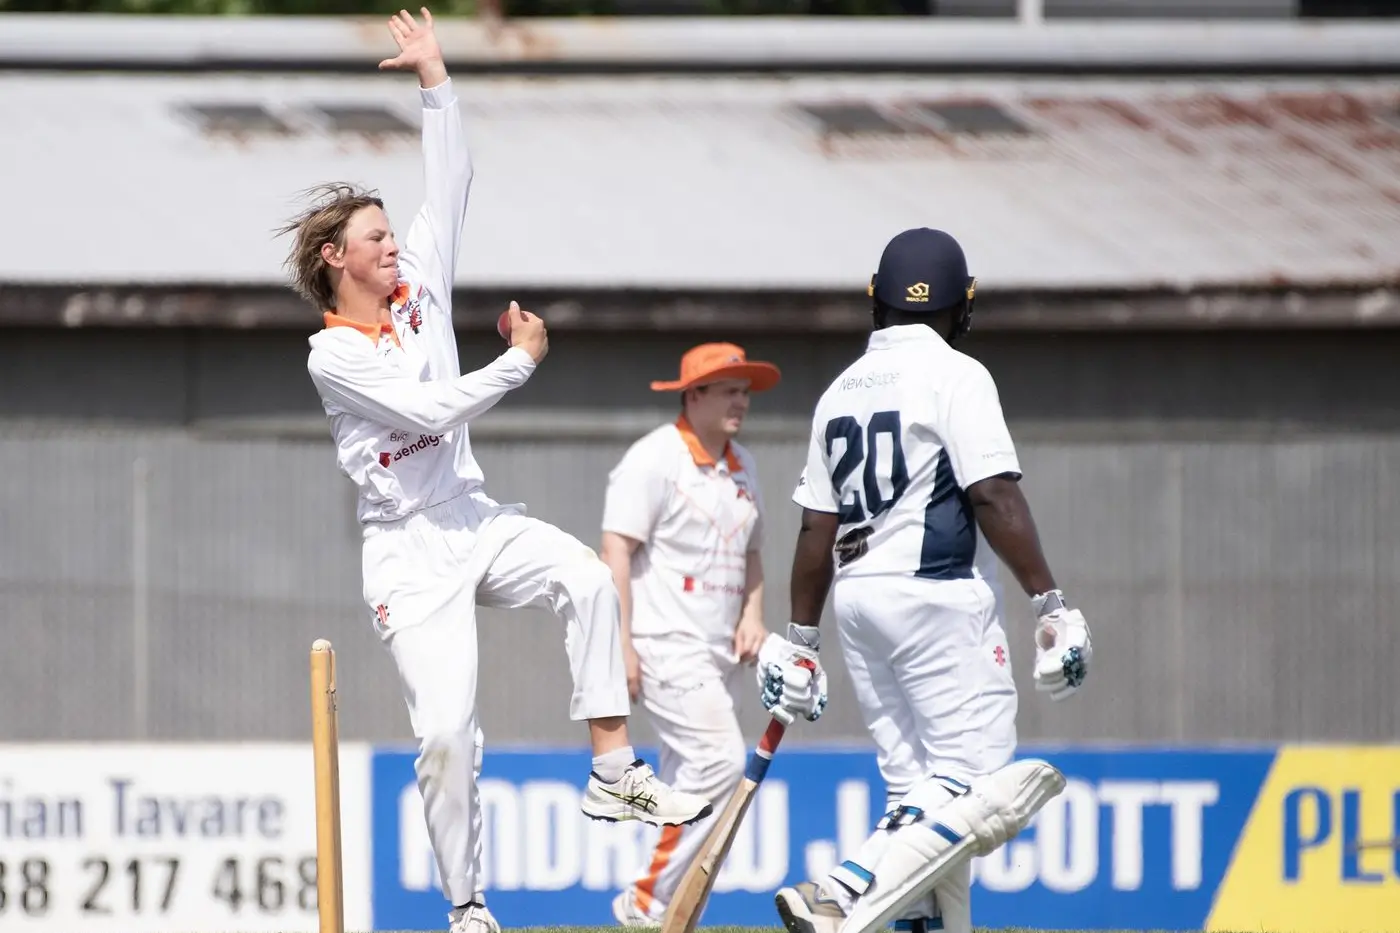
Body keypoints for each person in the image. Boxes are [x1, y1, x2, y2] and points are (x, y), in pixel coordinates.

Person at [279, 10, 711, 933]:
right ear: (335, 259)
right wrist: (519, 361)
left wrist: (435, 76)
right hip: (407, 552)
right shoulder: (333, 358)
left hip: (473, 515)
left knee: (590, 579)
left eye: (395, 235)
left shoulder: (421, 280)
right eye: (376, 238)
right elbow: (429, 409)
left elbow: (454, 177)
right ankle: (467, 908)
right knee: (445, 737)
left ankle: (611, 772)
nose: (395, 247)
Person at [762, 228, 1093, 933]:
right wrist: (1051, 601)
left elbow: (815, 530)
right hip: (936, 592)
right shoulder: (957, 374)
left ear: (876, 300)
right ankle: (844, 887)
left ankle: (917, 921)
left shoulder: (839, 390)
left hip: (856, 600)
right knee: (980, 779)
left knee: (919, 790)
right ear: (961, 305)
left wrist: (800, 639)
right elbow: (993, 494)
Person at [598, 343, 786, 926]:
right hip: (664, 645)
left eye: (746, 390)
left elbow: (754, 557)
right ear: (694, 394)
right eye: (729, 388)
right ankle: (644, 901)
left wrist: (753, 615)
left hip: (721, 654)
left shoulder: (745, 465)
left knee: (694, 782)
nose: (742, 401)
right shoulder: (653, 459)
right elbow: (616, 552)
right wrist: (620, 645)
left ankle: (679, 913)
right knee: (721, 761)